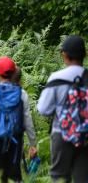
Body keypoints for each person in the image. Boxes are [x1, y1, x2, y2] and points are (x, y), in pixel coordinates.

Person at [37, 35, 88, 183]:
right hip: (86, 135)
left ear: (64, 55)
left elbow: (43, 109)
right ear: (84, 55)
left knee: (59, 177)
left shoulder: (56, 78)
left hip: (62, 133)